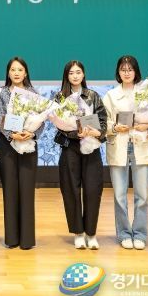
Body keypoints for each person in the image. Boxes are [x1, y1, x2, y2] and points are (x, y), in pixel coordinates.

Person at [103, 56, 148, 250]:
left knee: (142, 195)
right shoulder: (111, 95)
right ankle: (124, 233)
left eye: (130, 69)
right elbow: (104, 121)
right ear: (118, 72)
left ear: (136, 71)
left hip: (141, 146)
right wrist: (114, 127)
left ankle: (140, 234)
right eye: (123, 69)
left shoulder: (147, 93)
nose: (126, 73)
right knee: (119, 195)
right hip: (119, 145)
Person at [54, 60, 107, 250]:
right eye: (71, 73)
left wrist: (94, 132)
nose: (75, 76)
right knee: (71, 190)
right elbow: (58, 123)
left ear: (83, 74)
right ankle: (78, 232)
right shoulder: (60, 97)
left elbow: (103, 121)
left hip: (91, 148)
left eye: (78, 72)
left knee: (93, 190)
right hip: (70, 148)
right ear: (66, 76)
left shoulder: (93, 96)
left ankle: (91, 233)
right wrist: (75, 133)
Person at [0, 57, 42, 250]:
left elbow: (41, 120)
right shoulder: (1, 93)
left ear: (25, 72)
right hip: (8, 145)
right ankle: (12, 238)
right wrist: (11, 134)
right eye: (13, 70)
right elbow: (0, 117)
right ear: (8, 72)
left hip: (28, 144)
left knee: (27, 190)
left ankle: (27, 239)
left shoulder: (34, 93)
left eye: (20, 70)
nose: (16, 73)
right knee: (10, 190)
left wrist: (32, 133)